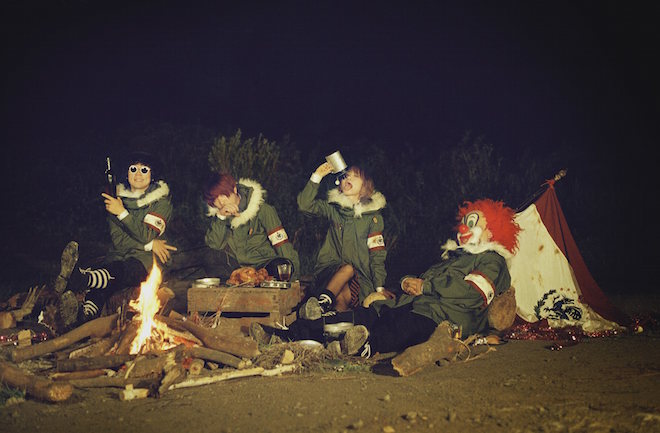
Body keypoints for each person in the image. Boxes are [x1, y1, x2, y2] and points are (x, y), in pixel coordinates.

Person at [251, 198, 520, 362]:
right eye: (465, 221)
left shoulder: (492, 261)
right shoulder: (454, 258)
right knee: (355, 317)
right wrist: (406, 283)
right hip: (405, 305)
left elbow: (472, 293)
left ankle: (362, 348)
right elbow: (421, 281)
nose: (464, 227)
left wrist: (426, 286)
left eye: (473, 223)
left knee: (392, 330)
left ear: (492, 231)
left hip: (439, 318)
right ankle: (286, 335)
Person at [56, 151, 177, 328]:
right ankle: (84, 317)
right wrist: (150, 245)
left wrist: (122, 213)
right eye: (133, 169)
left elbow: (147, 234)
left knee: (119, 270)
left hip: (145, 262)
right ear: (127, 173)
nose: (138, 174)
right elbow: (119, 240)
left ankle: (83, 279)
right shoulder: (116, 198)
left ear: (152, 175)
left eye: (144, 170)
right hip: (119, 255)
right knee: (105, 281)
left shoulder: (160, 202)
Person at [296, 161, 389, 319]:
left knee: (341, 300)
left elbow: (377, 255)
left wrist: (379, 287)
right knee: (346, 270)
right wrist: (317, 175)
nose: (347, 179)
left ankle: (327, 315)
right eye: (345, 176)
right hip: (329, 270)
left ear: (365, 185)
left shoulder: (372, 218)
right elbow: (304, 205)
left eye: (355, 176)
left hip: (359, 277)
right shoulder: (334, 210)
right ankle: (323, 305)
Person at [203, 173, 300, 281]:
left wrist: (292, 275)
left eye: (223, 195)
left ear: (234, 189)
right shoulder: (219, 218)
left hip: (265, 266)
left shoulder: (263, 210)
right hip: (238, 270)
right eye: (215, 199)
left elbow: (282, 244)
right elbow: (214, 245)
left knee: (280, 266)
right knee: (210, 264)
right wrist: (221, 217)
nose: (221, 202)